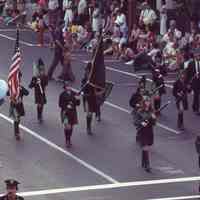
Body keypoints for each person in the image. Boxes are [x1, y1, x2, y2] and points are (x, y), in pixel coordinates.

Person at [134, 94, 156, 172]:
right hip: (142, 132)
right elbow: (135, 122)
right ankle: (147, 165)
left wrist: (153, 118)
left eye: (149, 101)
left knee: (146, 147)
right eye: (146, 101)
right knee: (145, 147)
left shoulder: (152, 111)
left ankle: (143, 162)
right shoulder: (139, 111)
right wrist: (141, 123)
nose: (147, 103)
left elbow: (154, 124)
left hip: (149, 131)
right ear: (143, 102)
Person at [81, 62, 102, 135]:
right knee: (89, 113)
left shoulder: (96, 79)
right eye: (86, 71)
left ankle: (98, 114)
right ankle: (88, 127)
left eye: (88, 70)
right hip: (87, 98)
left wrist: (98, 92)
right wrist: (83, 92)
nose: (86, 72)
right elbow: (82, 88)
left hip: (94, 97)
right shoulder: (85, 79)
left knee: (97, 106)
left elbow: (100, 88)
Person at [58, 82, 80, 148]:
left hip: (73, 112)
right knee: (68, 127)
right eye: (67, 86)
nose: (69, 87)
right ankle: (67, 140)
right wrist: (67, 106)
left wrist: (78, 99)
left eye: (69, 86)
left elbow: (77, 104)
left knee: (71, 127)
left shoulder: (74, 93)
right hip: (65, 112)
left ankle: (69, 139)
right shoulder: (62, 95)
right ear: (65, 87)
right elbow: (60, 104)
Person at [9, 72, 29, 140]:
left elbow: (27, 93)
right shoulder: (13, 87)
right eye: (18, 78)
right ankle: (17, 133)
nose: (19, 79)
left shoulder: (20, 87)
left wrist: (21, 88)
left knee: (18, 119)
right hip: (14, 105)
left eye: (19, 78)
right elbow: (8, 93)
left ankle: (16, 132)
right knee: (16, 119)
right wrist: (12, 90)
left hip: (19, 105)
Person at [29, 58, 48, 123]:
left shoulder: (45, 76)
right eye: (41, 69)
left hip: (42, 92)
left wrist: (42, 83)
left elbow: (46, 84)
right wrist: (35, 82)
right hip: (37, 92)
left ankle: (40, 114)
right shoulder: (35, 77)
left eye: (43, 69)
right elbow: (30, 86)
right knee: (39, 104)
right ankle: (39, 116)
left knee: (42, 104)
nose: (42, 70)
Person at [186, 49, 200, 115]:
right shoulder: (191, 63)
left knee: (197, 95)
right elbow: (188, 74)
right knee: (196, 95)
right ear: (194, 56)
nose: (198, 56)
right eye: (197, 55)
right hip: (194, 81)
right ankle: (196, 108)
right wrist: (187, 83)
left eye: (199, 55)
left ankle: (195, 106)